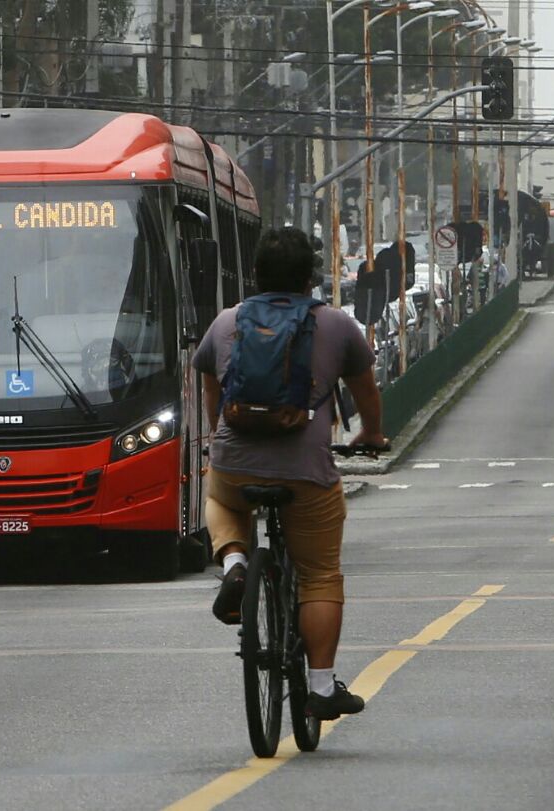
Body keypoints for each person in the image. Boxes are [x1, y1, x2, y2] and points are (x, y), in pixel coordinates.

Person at [191, 228, 388, 722]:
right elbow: (367, 392)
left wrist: (220, 442)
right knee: (320, 574)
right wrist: (371, 435)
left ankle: (236, 563)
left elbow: (213, 398)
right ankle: (321, 688)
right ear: (311, 278)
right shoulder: (337, 325)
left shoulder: (226, 322)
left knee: (219, 497)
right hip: (305, 472)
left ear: (254, 276)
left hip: (236, 463)